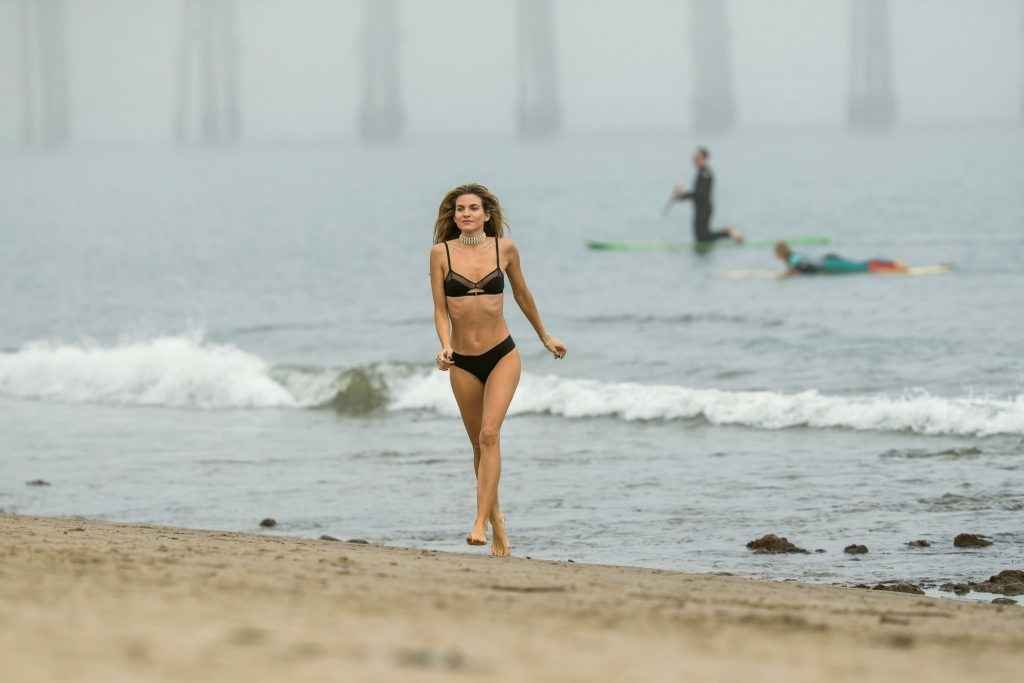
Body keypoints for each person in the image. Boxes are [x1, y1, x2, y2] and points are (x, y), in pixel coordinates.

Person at [429, 183, 567, 557]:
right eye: (460, 209)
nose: (467, 214)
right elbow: (441, 309)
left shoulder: (504, 249)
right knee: (478, 444)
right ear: (453, 215)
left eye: (474, 208)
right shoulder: (440, 254)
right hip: (462, 360)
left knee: (490, 434)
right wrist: (444, 346)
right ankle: (499, 522)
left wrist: (545, 336)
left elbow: (523, 294)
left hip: (502, 354)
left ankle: (479, 523)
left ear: (487, 215)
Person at [669, 147, 743, 244]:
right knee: (701, 237)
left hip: (704, 208)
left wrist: (683, 195)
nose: (694, 160)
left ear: (704, 159)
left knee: (703, 237)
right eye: (694, 158)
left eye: (697, 158)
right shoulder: (701, 172)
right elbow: (697, 193)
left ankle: (728, 232)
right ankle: (727, 233)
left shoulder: (705, 173)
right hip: (700, 208)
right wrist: (682, 196)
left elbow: (701, 194)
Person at [774, 241, 907, 276]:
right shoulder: (794, 256)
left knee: (862, 267)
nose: (775, 256)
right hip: (828, 261)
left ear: (780, 253)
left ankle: (894, 264)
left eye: (776, 253)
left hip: (829, 265)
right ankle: (892, 263)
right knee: (861, 265)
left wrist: (785, 275)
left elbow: (799, 267)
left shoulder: (793, 260)